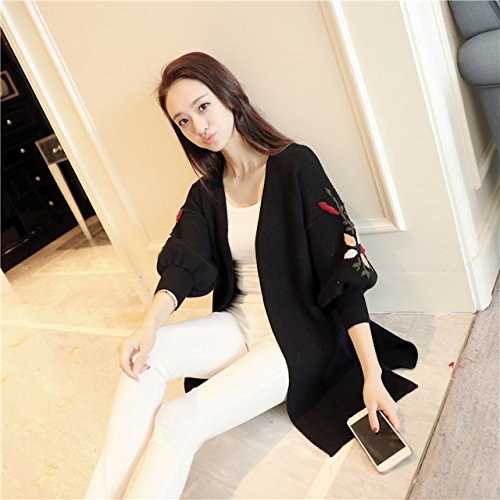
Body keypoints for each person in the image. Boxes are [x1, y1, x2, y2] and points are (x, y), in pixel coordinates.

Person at [85, 51, 418, 499]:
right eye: (183, 121)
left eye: (203, 106)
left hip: (296, 338)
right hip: (237, 326)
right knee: (141, 364)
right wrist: (148, 326)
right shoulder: (206, 192)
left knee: (176, 420)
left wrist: (371, 374)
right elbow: (182, 264)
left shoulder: (295, 165)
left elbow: (342, 267)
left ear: (229, 94)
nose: (199, 126)